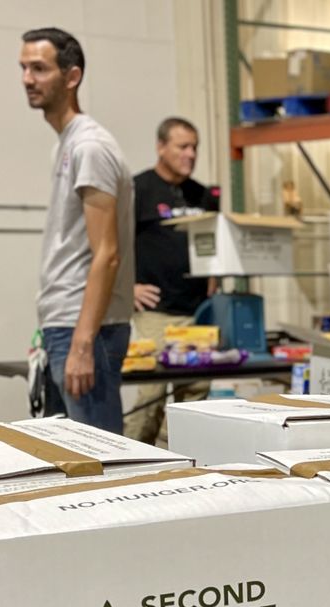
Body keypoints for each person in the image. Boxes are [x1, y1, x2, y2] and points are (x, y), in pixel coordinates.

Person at [22, 26, 133, 434]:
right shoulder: (66, 145)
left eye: (39, 68)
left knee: (102, 467)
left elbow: (107, 253)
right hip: (64, 324)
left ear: (72, 76)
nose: (27, 79)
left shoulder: (90, 148)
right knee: (73, 462)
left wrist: (83, 344)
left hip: (85, 330)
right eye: (24, 68)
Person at [126, 116, 218, 445]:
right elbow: (113, 244)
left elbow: (214, 247)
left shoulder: (203, 195)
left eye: (195, 147)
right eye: (182, 147)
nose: (190, 154)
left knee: (195, 392)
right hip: (155, 311)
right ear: (161, 147)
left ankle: (183, 462)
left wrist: (214, 286)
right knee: (152, 390)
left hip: (195, 312)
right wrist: (128, 287)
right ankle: (131, 462)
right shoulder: (138, 189)